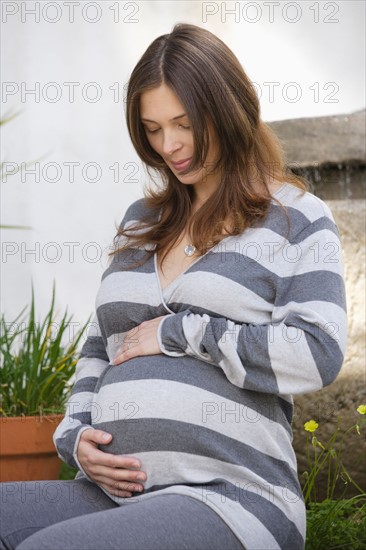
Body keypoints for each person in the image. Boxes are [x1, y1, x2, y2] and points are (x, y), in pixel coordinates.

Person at [0, 22, 347, 550]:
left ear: (228, 109)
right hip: (111, 492)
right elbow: (101, 346)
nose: (171, 146)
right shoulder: (142, 221)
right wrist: (75, 437)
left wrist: (181, 332)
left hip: (231, 497)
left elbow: (318, 352)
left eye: (185, 124)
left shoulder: (296, 218)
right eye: (153, 128)